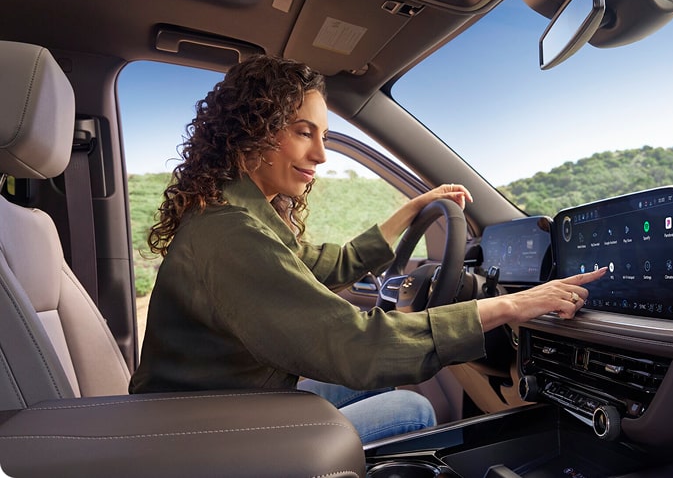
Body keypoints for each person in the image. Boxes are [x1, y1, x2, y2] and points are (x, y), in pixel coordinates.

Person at [129, 54, 606, 443]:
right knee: (412, 408)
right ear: (250, 130)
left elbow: (329, 266)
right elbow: (355, 345)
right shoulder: (233, 233)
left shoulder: (237, 215)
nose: (320, 154)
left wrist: (410, 210)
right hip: (209, 436)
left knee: (382, 384)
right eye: (303, 132)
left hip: (215, 410)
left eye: (322, 136)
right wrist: (508, 306)